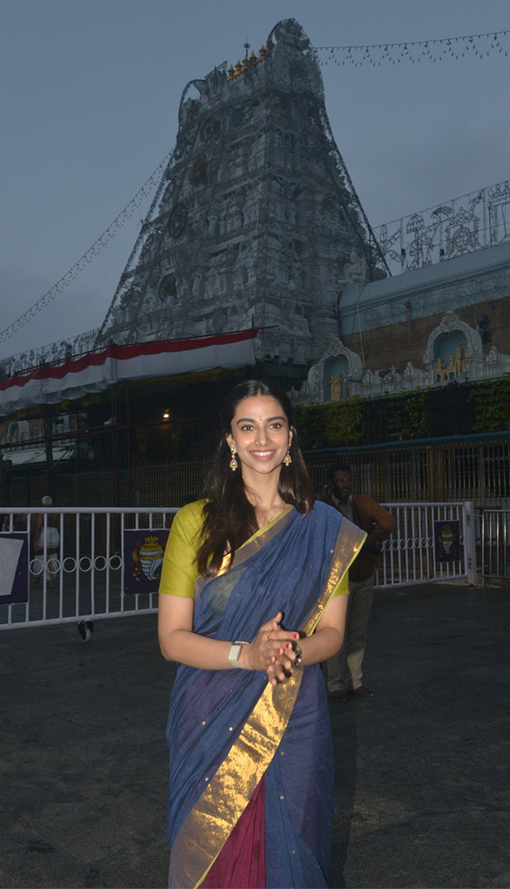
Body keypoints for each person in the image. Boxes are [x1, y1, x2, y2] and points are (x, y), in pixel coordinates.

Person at [157, 379, 365, 889]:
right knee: (215, 854)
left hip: (294, 709)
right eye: (246, 427)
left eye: (274, 425)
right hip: (209, 710)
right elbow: (172, 638)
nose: (262, 438)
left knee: (294, 846)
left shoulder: (325, 528)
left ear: (290, 435)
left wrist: (286, 650)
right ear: (230, 440)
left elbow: (334, 634)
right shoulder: (196, 523)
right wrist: (247, 655)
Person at [320, 463, 396, 703]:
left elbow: (387, 522)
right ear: (331, 483)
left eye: (348, 479)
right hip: (338, 579)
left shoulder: (361, 501)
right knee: (335, 634)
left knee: (358, 633)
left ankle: (355, 681)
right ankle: (335, 685)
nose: (346, 484)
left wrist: (369, 540)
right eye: (341, 480)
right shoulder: (324, 507)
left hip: (363, 575)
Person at [32, 495, 60, 589]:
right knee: (52, 557)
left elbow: (39, 527)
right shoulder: (57, 512)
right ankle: (52, 581)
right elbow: (59, 526)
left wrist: (35, 541)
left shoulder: (41, 512)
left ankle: (36, 579)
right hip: (54, 534)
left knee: (40, 556)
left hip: (44, 535)